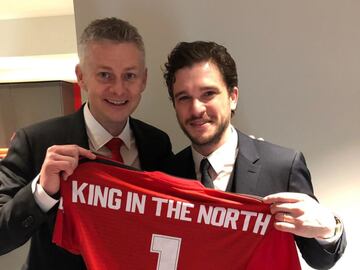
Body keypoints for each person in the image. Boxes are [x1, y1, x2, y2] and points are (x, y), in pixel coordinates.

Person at [0, 17, 172, 270]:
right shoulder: (35, 142)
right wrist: (41, 193)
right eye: (105, 75)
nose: (118, 89)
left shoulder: (157, 144)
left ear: (143, 79)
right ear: (81, 77)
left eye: (130, 76)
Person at [162, 41, 346, 269]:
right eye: (184, 98)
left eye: (208, 93)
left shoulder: (282, 166)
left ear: (233, 97)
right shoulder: (164, 175)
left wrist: (330, 227)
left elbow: (321, 260)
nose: (196, 108)